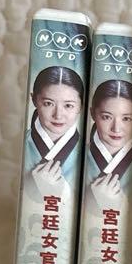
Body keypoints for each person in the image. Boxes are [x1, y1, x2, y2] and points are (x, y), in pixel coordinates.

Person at [25, 65, 85, 199]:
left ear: (81, 105)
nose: (58, 115)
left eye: (68, 105)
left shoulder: (88, 153)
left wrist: (61, 191)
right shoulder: (19, 144)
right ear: (34, 100)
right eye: (48, 103)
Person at [86, 79, 132, 208]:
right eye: (106, 117)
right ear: (92, 114)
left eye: (126, 118)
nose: (116, 129)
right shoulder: (74, 156)